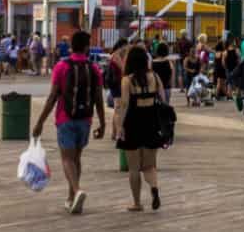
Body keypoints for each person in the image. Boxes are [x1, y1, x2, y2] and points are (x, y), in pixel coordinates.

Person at [32, 30, 105, 214]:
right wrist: (103, 123)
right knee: (76, 159)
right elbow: (98, 98)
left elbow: (52, 97)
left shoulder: (62, 66)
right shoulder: (94, 68)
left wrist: (40, 122)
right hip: (85, 120)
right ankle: (72, 197)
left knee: (66, 159)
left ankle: (77, 190)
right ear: (87, 47)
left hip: (65, 118)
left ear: (72, 46)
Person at [115, 44, 169, 211]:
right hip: (151, 122)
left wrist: (119, 126)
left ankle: (137, 203)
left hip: (132, 122)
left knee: (133, 168)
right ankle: (154, 187)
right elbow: (163, 100)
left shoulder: (127, 80)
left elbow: (124, 104)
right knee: (149, 165)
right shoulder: (155, 77)